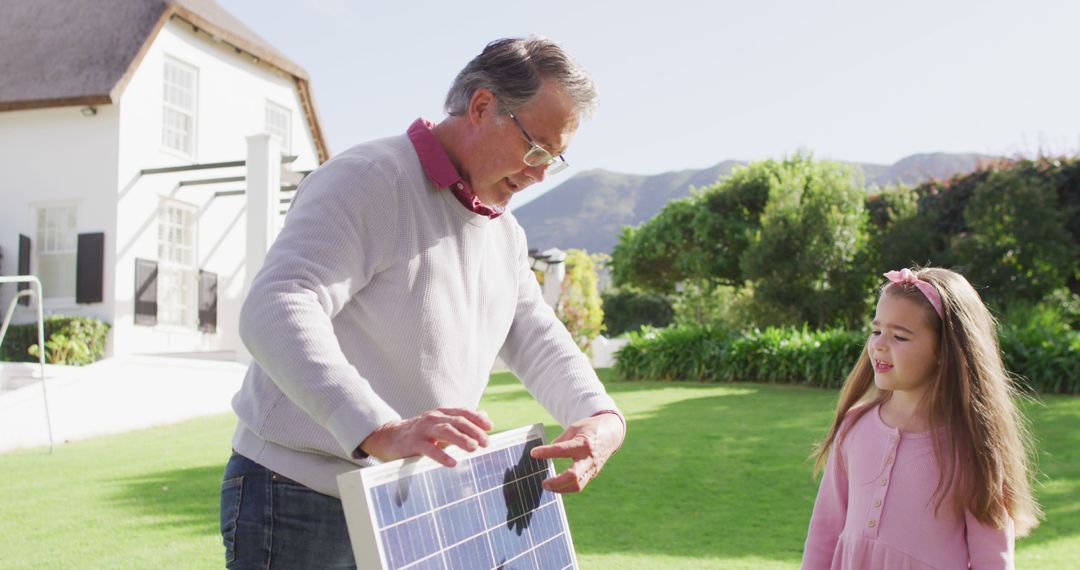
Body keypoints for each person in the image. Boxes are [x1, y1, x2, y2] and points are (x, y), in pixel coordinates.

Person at [219, 37, 626, 569]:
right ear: (483, 108)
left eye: (554, 157)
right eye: (536, 148)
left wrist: (601, 418)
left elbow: (534, 333)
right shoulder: (369, 179)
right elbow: (276, 305)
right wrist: (378, 430)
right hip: (301, 496)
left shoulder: (502, 230)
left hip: (409, 501)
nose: (539, 173)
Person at [801, 267, 1041, 569]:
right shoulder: (854, 427)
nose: (879, 344)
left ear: (945, 350)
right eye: (876, 330)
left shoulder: (970, 447)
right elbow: (824, 530)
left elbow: (992, 558)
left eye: (900, 336)